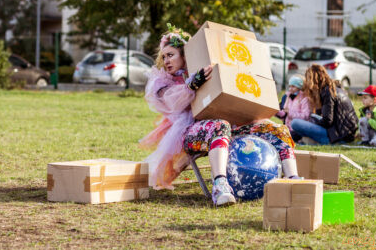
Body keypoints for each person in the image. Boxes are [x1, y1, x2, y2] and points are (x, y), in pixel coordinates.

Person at [140, 25, 300, 206]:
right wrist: (191, 84)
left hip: (229, 123)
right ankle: (220, 186)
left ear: (184, 55)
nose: (166, 60)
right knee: (219, 125)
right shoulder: (163, 82)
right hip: (189, 131)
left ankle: (293, 181)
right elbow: (170, 100)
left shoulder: (205, 67)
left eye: (170, 55)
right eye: (163, 56)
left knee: (276, 129)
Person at [291, 64, 358, 144]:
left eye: (308, 78)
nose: (306, 82)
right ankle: (295, 138)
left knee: (295, 123)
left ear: (313, 79)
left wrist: (314, 122)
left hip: (337, 136)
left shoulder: (328, 92)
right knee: (309, 121)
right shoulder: (332, 88)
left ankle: (294, 138)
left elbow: (327, 121)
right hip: (343, 133)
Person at [276, 76, 311, 142]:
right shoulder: (288, 96)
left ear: (299, 87)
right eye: (289, 86)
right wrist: (276, 111)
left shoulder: (304, 99)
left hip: (298, 129)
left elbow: (306, 116)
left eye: (293, 86)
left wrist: (290, 113)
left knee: (284, 138)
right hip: (287, 127)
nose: (290, 89)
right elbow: (285, 113)